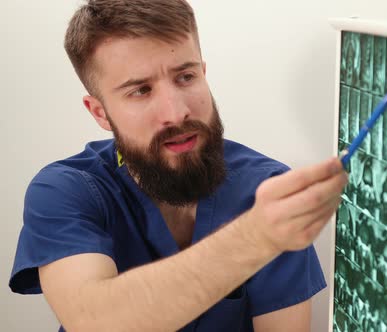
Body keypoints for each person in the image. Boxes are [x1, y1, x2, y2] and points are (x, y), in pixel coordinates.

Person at [8, 1, 348, 331]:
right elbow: (93, 321)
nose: (176, 112)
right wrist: (256, 237)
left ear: (203, 72)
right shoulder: (63, 191)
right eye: (140, 90)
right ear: (99, 112)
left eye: (185, 77)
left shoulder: (266, 190)